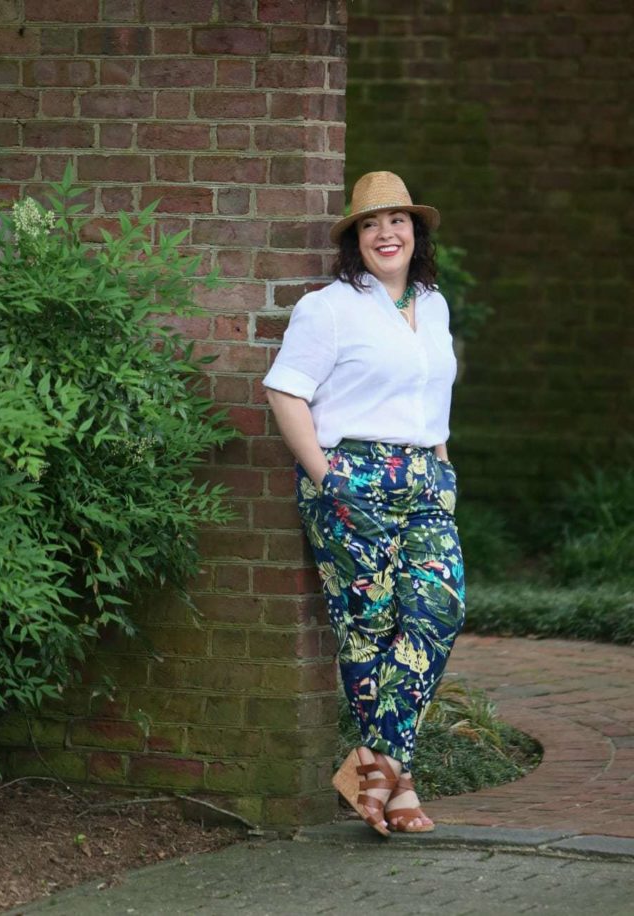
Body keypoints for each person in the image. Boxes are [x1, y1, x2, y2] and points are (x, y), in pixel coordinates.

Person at [263, 171, 466, 837]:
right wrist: (327, 478)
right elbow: (285, 391)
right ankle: (397, 784)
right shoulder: (328, 308)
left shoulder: (432, 303)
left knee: (439, 607)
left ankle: (370, 767)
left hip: (423, 476)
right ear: (356, 239)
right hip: (351, 474)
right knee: (372, 630)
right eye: (372, 224)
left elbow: (430, 392)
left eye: (398, 221)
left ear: (416, 233)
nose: (387, 233)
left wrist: (442, 466)